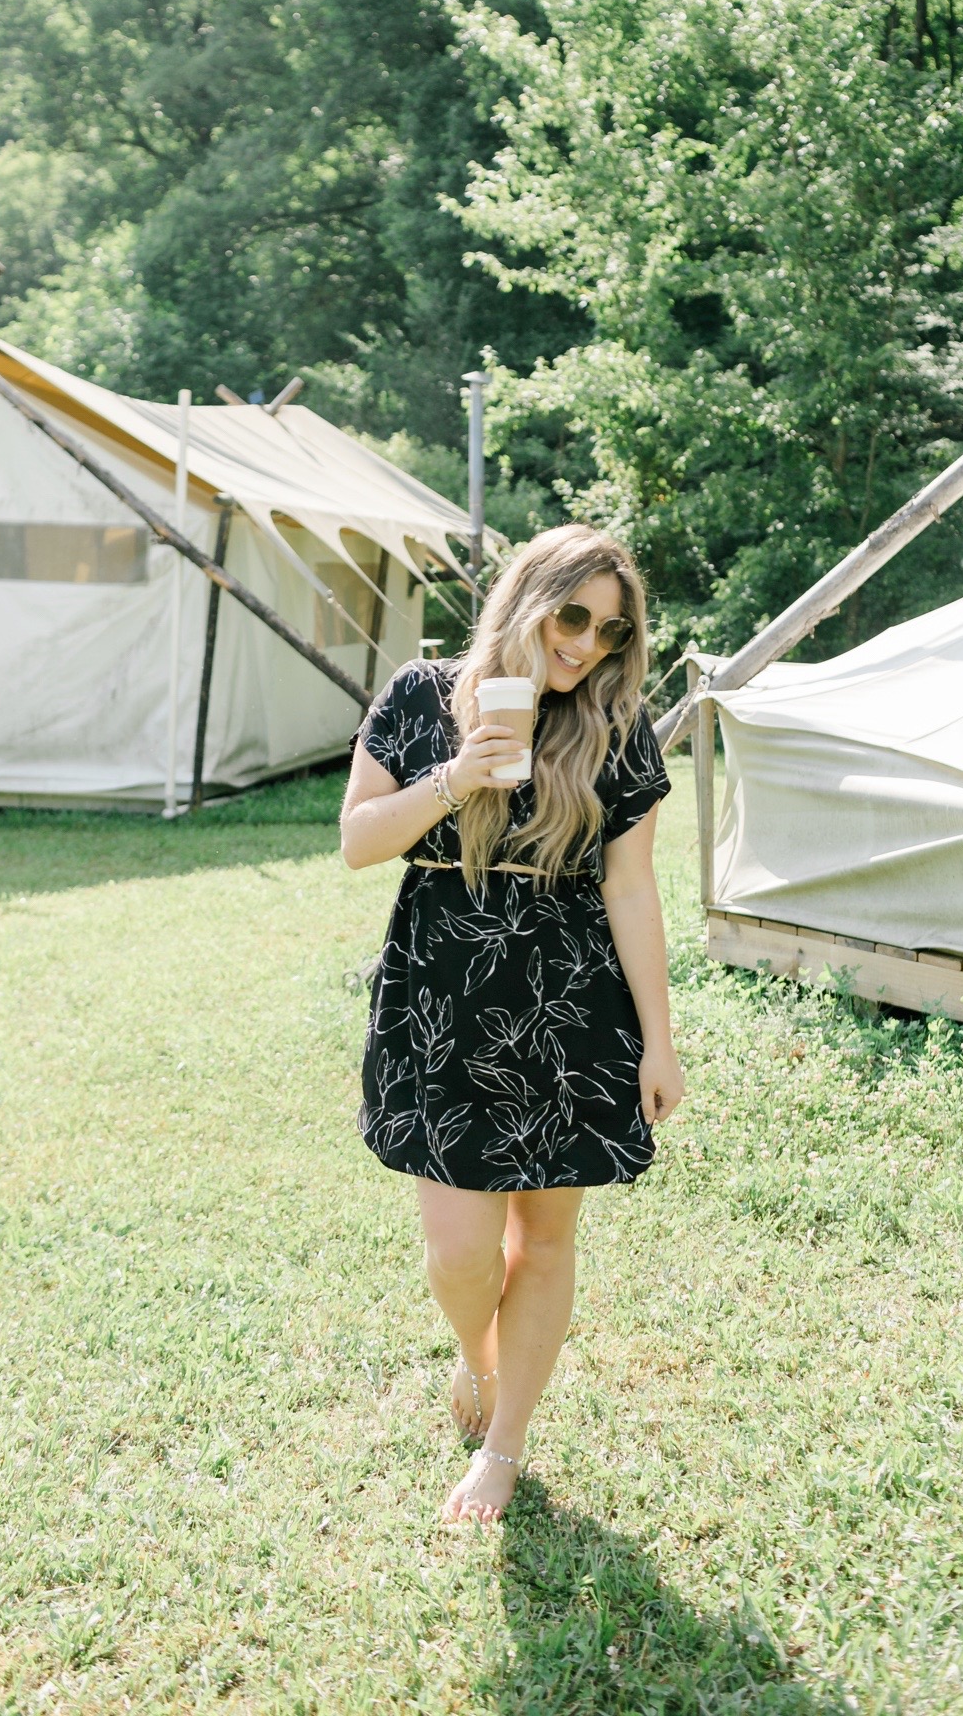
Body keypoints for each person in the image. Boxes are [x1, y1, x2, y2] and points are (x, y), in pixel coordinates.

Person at [340, 524, 685, 1522]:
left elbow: (631, 887)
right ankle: (476, 1357)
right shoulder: (419, 693)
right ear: (525, 597)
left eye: (612, 634)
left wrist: (659, 1039)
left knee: (545, 1238)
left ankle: (505, 1438)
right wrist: (456, 775)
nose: (587, 645)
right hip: (441, 1000)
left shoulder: (615, 727)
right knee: (458, 1249)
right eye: (572, 615)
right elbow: (360, 841)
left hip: (572, 1007)